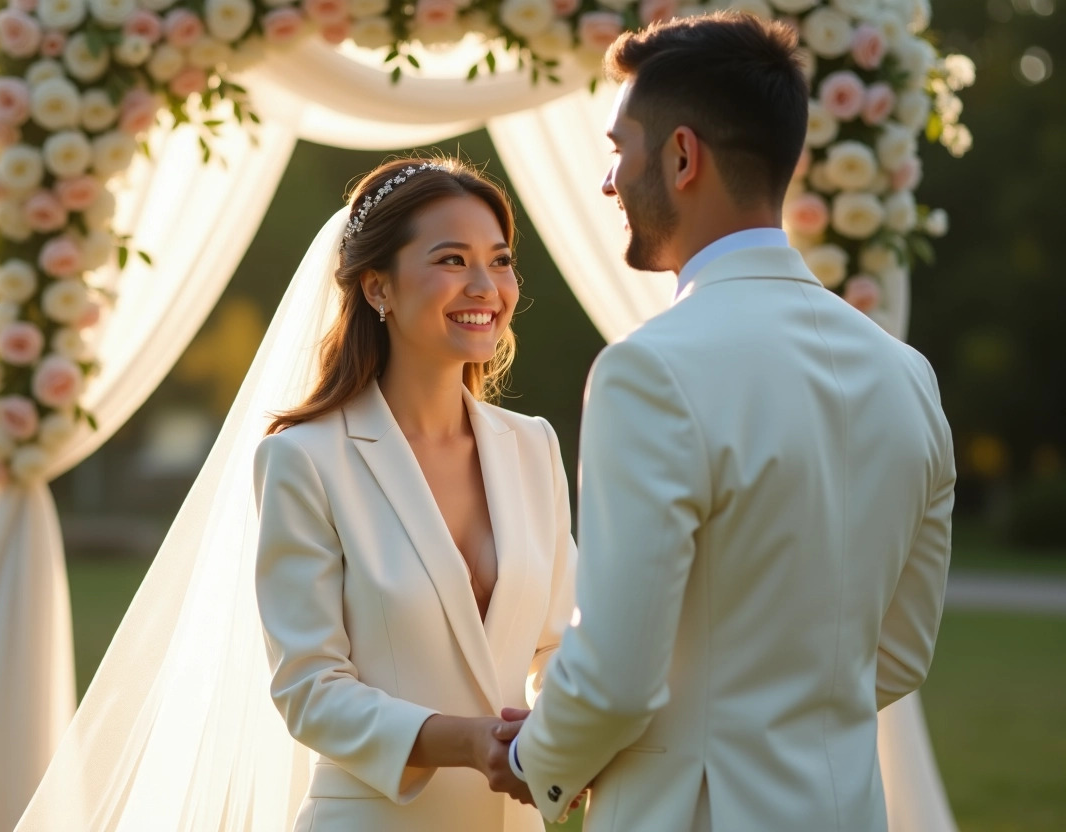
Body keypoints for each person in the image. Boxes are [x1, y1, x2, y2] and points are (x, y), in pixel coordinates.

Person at [501, 13, 956, 832]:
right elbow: (900, 653)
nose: (608, 181)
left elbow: (615, 678)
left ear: (681, 157)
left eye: (619, 148)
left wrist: (533, 757)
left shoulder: (650, 369)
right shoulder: (907, 376)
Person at [252, 158, 577, 832]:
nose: (486, 286)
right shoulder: (304, 460)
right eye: (452, 260)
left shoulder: (533, 446)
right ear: (378, 287)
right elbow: (308, 689)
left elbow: (558, 645)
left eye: (500, 260)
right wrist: (465, 742)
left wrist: (566, 737)